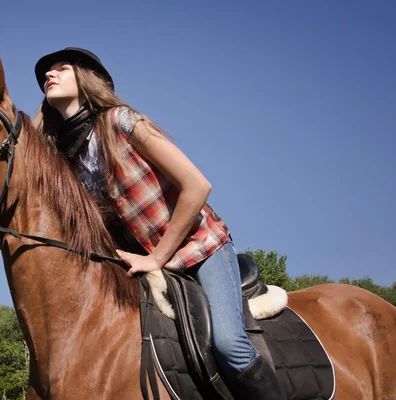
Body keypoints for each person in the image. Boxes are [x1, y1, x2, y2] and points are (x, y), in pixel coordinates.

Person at [33, 47, 285, 400]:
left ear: (86, 78)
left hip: (200, 248)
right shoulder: (64, 156)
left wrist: (157, 258)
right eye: (46, 73)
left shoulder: (121, 121)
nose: (49, 74)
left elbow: (197, 186)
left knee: (228, 344)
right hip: (140, 262)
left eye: (61, 68)